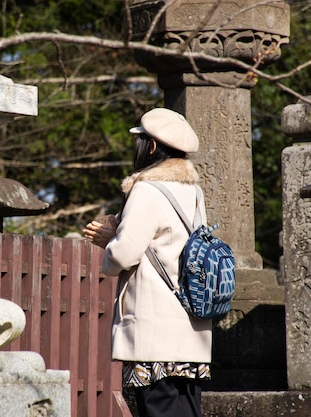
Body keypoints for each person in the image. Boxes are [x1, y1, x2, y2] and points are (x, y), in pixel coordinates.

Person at [83, 108, 211, 417]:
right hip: (191, 334)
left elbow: (125, 255)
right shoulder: (193, 191)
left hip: (155, 339)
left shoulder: (146, 190)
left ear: (151, 146)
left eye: (140, 141)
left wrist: (108, 242)